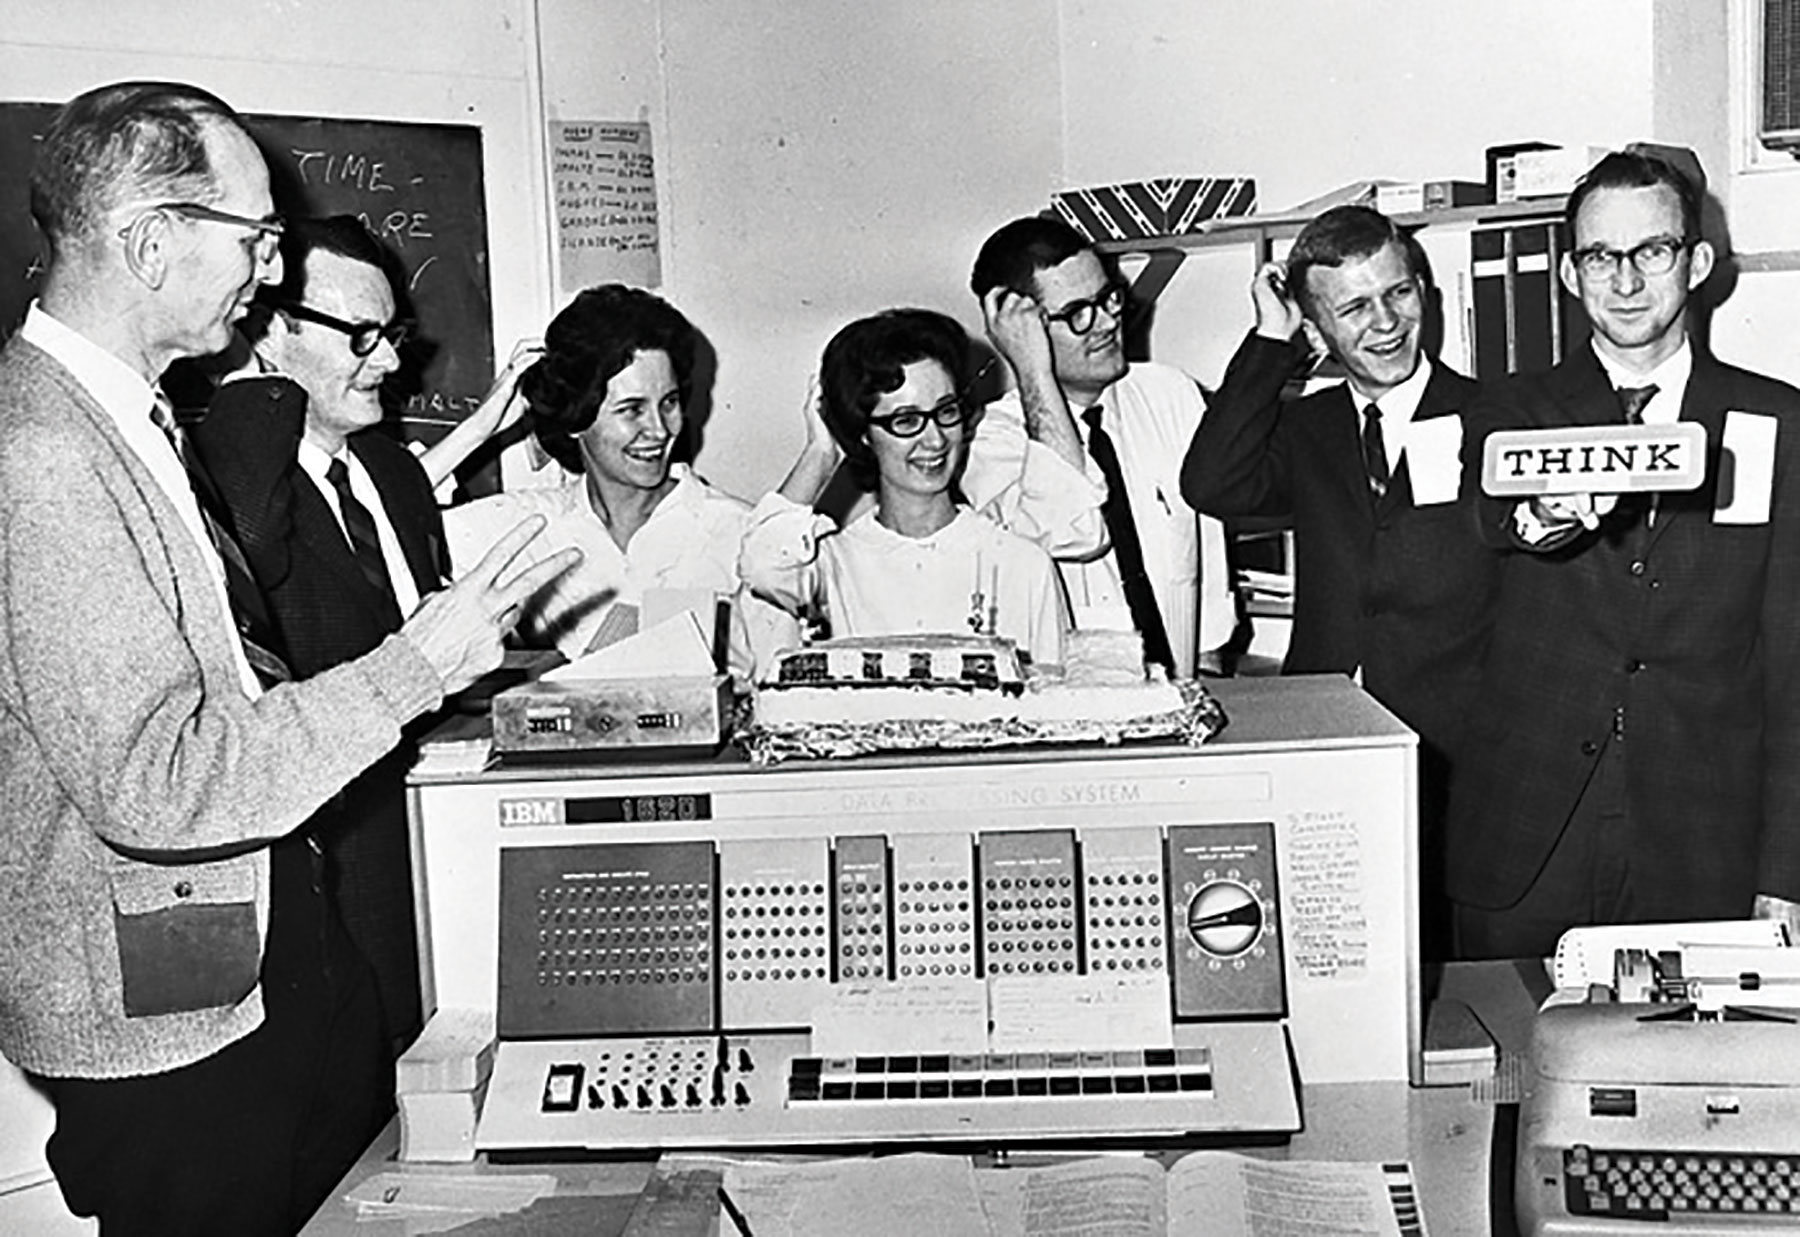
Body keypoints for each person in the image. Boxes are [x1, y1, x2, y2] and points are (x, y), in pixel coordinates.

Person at [0, 81, 576, 1235]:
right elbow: (158, 783)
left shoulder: (125, 415)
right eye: (256, 240)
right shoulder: (46, 451)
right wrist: (420, 662)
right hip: (169, 1019)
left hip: (252, 956)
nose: (269, 272)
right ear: (150, 240)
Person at [1446, 150, 1800, 959]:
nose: (1627, 281)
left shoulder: (1779, 424)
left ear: (1699, 262)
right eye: (1601, 257)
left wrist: (1787, 871)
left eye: (1653, 251)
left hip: (1704, 841)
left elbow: (1794, 665)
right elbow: (1490, 516)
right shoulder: (1507, 410)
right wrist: (1543, 514)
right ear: (1570, 274)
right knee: (1513, 1068)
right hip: (1529, 830)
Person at [1181, 205, 1500, 958]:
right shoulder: (1310, 429)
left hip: (1462, 756)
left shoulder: (1495, 416)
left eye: (1400, 293)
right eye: (1355, 307)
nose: (1386, 323)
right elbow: (1211, 483)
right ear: (1316, 330)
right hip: (1331, 743)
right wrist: (1268, 340)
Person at [185, 215, 449, 1056]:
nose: (393, 362)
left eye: (394, 333)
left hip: (433, 860)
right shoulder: (237, 477)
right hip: (332, 888)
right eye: (363, 336)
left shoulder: (395, 472)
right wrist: (261, 384)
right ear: (271, 328)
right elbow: (254, 542)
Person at [443, 283, 796, 680]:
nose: (660, 430)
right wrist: (477, 429)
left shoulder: (739, 530)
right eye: (632, 410)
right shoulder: (530, 527)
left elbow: (787, 686)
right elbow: (379, 517)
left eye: (669, 403)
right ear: (577, 418)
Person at [960, 214, 1234, 678]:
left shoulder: (1170, 393)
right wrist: (1032, 371)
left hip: (1183, 689)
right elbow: (1070, 528)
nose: (1108, 321)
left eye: (1109, 298)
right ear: (1021, 329)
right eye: (1078, 312)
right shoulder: (991, 444)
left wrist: (1208, 671)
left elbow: (1207, 553)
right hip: (1077, 715)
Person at [739, 308, 1068, 667]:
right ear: (864, 433)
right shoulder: (832, 562)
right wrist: (820, 454)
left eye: (946, 411)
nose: (935, 439)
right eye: (906, 420)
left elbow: (1059, 704)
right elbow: (761, 565)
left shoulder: (1021, 564)